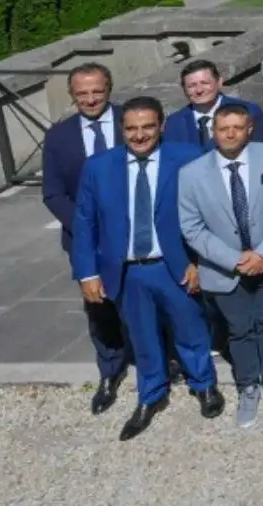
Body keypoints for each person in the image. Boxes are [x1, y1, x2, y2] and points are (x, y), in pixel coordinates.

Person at [71, 96, 225, 440]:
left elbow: (211, 213)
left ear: (162, 126)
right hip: (128, 271)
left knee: (191, 330)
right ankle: (150, 395)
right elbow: (85, 223)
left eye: (147, 127)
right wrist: (87, 272)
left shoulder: (188, 158)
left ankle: (204, 384)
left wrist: (201, 261)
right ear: (121, 129)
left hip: (176, 265)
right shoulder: (99, 167)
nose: (139, 135)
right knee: (142, 338)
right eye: (131, 128)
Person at [177, 103, 263, 429]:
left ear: (249, 129)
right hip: (223, 269)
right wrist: (236, 260)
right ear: (213, 131)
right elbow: (192, 227)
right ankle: (248, 387)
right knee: (240, 330)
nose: (229, 134)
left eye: (237, 128)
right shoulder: (191, 174)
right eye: (223, 128)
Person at [42, 62, 128, 413]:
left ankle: (161, 360)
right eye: (82, 93)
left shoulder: (133, 121)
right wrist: (86, 227)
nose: (91, 98)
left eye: (97, 90)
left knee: (146, 299)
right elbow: (53, 193)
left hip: (135, 231)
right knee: (99, 306)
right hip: (85, 238)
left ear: (109, 88)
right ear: (72, 95)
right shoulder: (59, 136)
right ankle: (110, 370)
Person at [162, 59, 263, 148]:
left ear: (219, 82)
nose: (199, 90)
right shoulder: (175, 122)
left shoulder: (248, 111)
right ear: (183, 89)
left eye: (205, 83)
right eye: (191, 86)